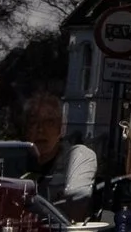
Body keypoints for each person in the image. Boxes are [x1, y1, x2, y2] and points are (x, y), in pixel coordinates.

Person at [24, 91, 99, 219]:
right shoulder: (14, 162)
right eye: (33, 122)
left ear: (62, 128)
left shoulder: (78, 157)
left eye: (49, 122)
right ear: (26, 130)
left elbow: (74, 210)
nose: (40, 129)